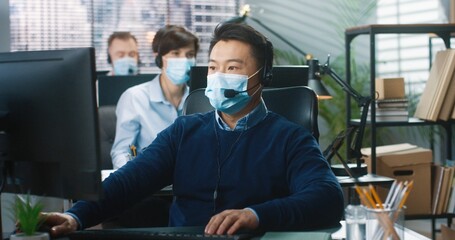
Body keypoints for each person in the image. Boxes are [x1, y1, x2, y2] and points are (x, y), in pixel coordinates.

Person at [42, 23, 344, 237]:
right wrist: (75, 216)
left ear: (262, 76)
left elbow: (327, 197)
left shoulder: (290, 138)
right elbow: (129, 181)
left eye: (233, 68)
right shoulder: (184, 130)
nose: (219, 76)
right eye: (213, 67)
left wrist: (256, 215)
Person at [111, 25, 199, 169]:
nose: (183, 60)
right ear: (158, 58)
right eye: (175, 53)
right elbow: (121, 152)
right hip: (148, 184)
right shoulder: (134, 97)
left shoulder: (199, 99)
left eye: (189, 55)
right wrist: (130, 182)